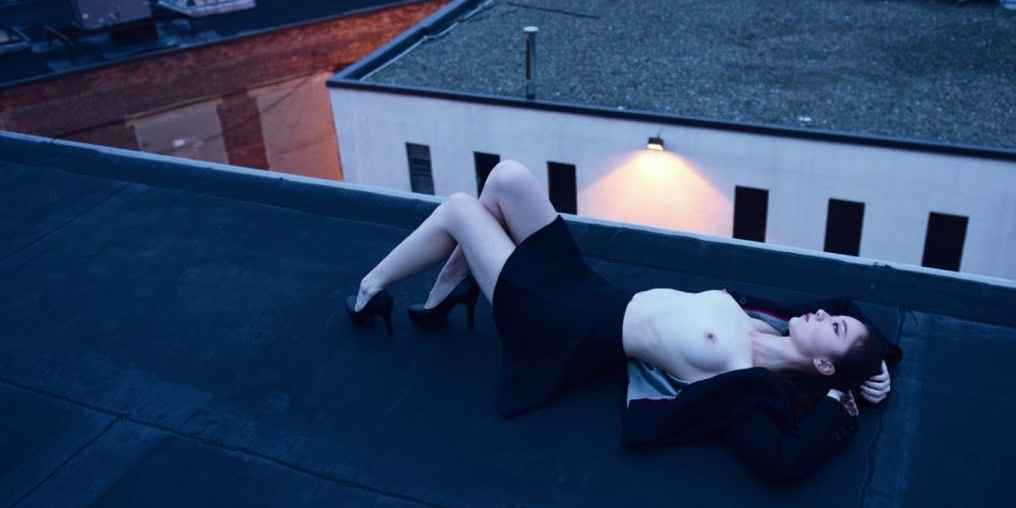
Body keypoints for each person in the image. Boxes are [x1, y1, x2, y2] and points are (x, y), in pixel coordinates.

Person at [346, 160, 898, 483]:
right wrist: (879, 365)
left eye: (835, 328)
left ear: (825, 364)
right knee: (506, 177)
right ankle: (451, 290)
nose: (825, 313)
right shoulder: (768, 321)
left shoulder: (744, 383)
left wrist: (837, 406)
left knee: (459, 208)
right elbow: (845, 303)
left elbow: (782, 461)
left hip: (561, 322)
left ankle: (371, 291)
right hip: (586, 286)